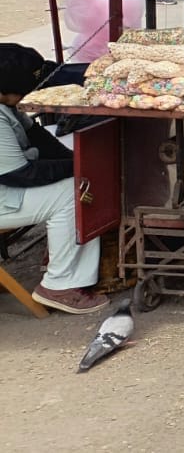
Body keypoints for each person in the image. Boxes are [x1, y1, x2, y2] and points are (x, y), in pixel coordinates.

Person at [0, 44, 109, 314]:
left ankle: (63, 257)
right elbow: (20, 174)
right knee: (76, 192)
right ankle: (60, 285)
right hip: (8, 185)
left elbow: (37, 136)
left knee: (75, 158)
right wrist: (77, 168)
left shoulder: (5, 105)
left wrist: (75, 160)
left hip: (10, 177)